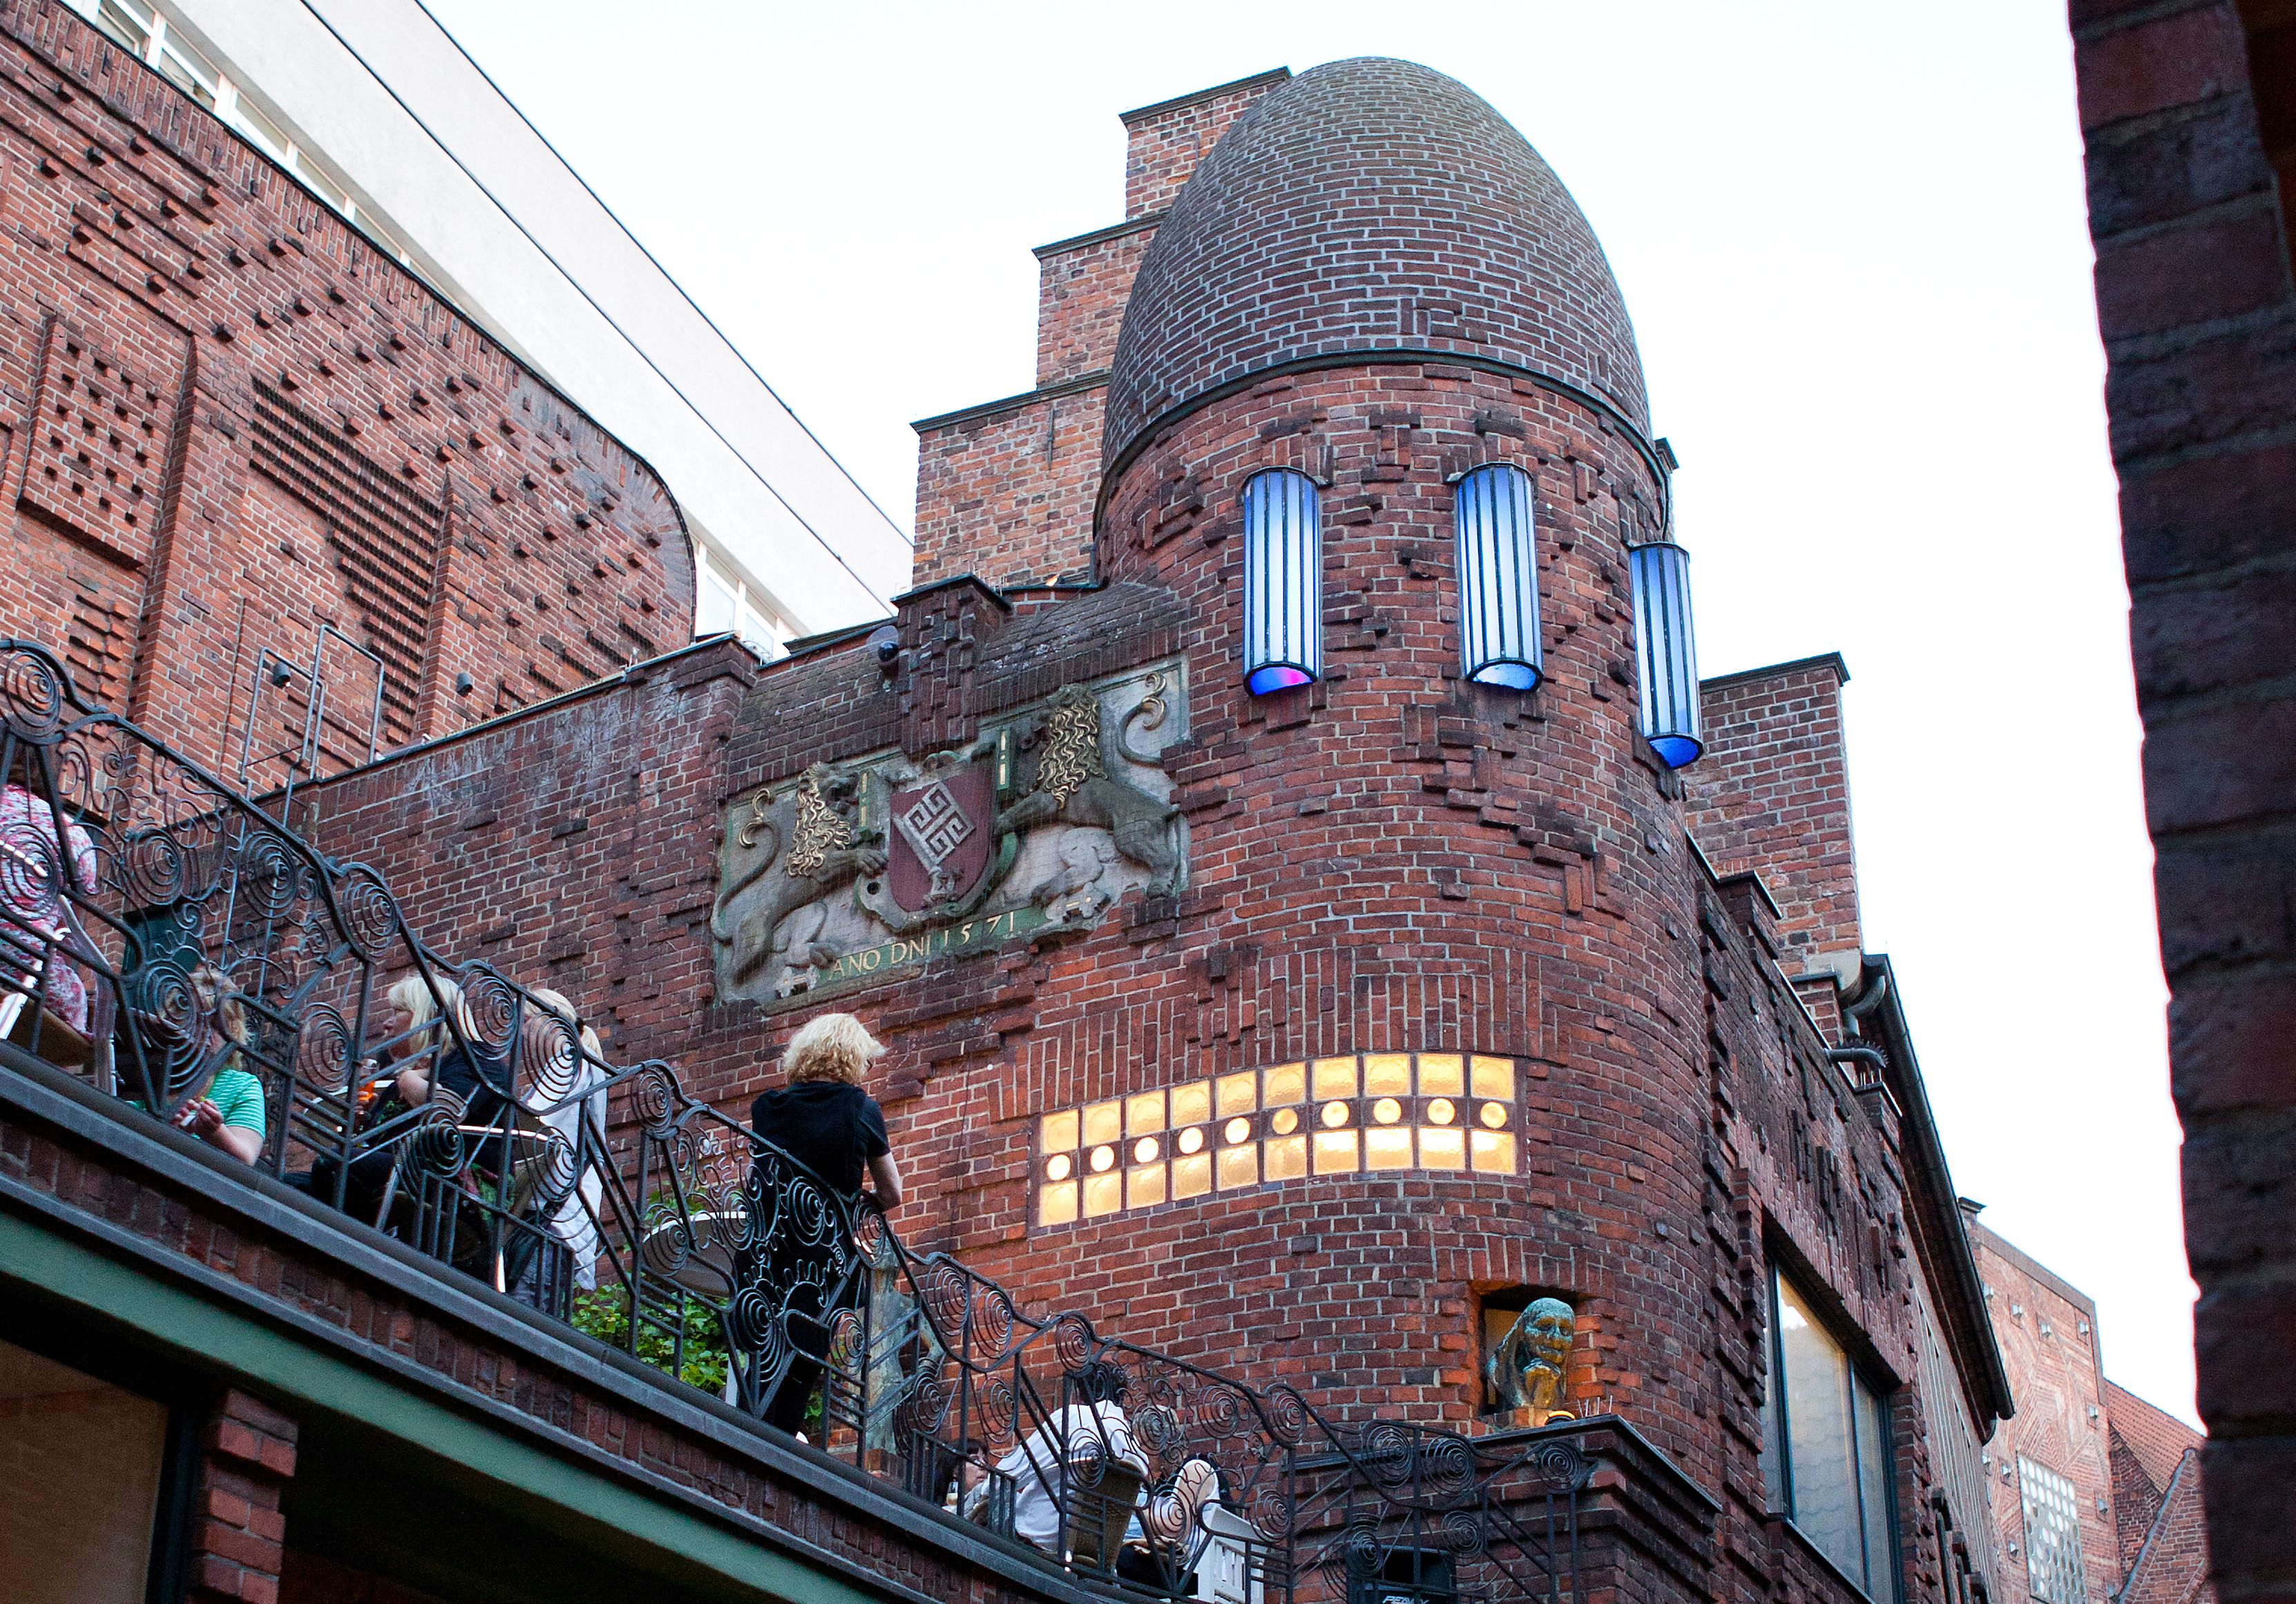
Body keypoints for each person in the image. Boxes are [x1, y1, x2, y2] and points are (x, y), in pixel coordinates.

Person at [748, 1011, 903, 1436]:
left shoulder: (769, 1107)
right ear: (850, 1057)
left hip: (768, 1250)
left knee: (763, 1354)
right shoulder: (861, 1109)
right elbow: (893, 1193)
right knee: (804, 1359)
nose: (869, 1067)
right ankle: (774, 1442)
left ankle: (750, 1435)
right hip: (821, 1256)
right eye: (866, 1058)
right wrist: (863, 1202)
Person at [966, 1360, 1148, 1555]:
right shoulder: (1136, 1450)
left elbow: (1011, 1472)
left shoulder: (1075, 1418)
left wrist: (983, 1493)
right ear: (1121, 1396)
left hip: (1033, 1539)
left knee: (980, 1494)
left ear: (1080, 1392)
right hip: (1091, 1553)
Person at [146, 966, 265, 1165]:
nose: (205, 1032)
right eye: (196, 1020)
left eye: (216, 1026)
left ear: (232, 1034)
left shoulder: (242, 1086)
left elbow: (246, 1158)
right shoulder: (147, 1071)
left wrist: (214, 1132)